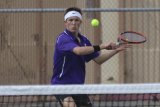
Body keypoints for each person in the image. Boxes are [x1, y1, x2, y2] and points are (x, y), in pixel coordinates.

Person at [51, 7, 130, 107]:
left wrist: (116, 50)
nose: (73, 23)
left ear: (80, 22)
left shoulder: (84, 40)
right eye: (70, 20)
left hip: (78, 86)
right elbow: (78, 51)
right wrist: (102, 46)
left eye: (76, 20)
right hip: (61, 84)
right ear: (65, 22)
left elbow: (99, 59)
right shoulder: (62, 38)